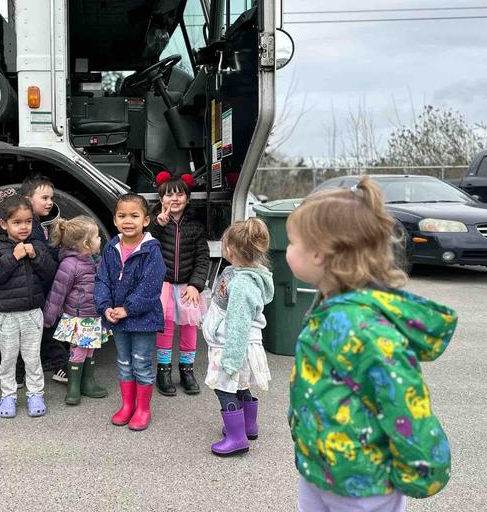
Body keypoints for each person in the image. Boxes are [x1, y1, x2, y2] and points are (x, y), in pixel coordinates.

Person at [286, 176, 458, 510]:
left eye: (292, 242)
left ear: (320, 253)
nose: (286, 249)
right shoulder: (327, 307)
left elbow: (404, 401)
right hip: (320, 469)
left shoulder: (367, 328)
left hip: (364, 484)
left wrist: (422, 468)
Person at [0, 191, 58, 418]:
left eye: (28, 222)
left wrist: (36, 256)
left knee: (33, 357)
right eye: (17, 222)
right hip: (6, 315)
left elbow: (50, 274)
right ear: (4, 224)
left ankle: (35, 394)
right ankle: (8, 395)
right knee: (8, 358)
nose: (23, 227)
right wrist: (12, 257)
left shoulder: (36, 244)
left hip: (33, 312)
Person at [95, 193, 166, 431]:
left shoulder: (151, 251)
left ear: (146, 220)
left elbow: (150, 286)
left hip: (143, 319)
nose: (128, 221)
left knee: (142, 363)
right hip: (117, 316)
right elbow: (102, 279)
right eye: (122, 216)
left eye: (134, 216)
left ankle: (143, 409)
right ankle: (128, 406)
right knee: (124, 362)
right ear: (114, 220)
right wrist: (105, 307)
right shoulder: (110, 247)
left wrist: (127, 309)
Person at [203, 218, 273, 456]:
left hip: (232, 346)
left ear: (230, 249)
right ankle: (248, 426)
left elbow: (238, 325)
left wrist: (231, 360)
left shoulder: (242, 284)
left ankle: (236, 438)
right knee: (240, 385)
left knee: (224, 387)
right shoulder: (239, 271)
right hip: (234, 343)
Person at [149, 171, 210, 396]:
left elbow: (202, 257)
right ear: (160, 199)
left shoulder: (194, 226)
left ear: (188, 198)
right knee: (164, 327)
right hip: (162, 285)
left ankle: (187, 371)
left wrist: (196, 284)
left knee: (189, 327)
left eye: (179, 194)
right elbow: (146, 246)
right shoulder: (156, 223)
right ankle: (163, 372)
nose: (174, 199)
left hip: (187, 286)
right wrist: (157, 225)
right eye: (168, 195)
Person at [43, 216, 108, 405]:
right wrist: (49, 318)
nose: (100, 240)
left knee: (90, 350)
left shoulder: (96, 260)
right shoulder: (69, 265)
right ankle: (73, 386)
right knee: (77, 351)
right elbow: (57, 293)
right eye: (97, 237)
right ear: (86, 243)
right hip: (77, 317)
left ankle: (88, 382)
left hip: (94, 315)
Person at [20, 174, 70, 384]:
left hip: (41, 288)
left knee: (43, 329)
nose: (50, 202)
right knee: (45, 328)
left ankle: (52, 365)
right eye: (44, 198)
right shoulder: (30, 228)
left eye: (51, 198)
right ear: (28, 199)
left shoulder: (39, 224)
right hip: (37, 288)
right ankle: (60, 365)